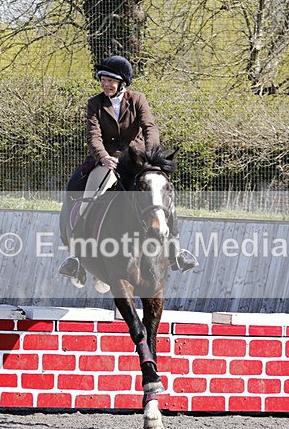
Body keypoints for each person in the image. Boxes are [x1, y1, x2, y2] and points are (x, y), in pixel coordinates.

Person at [59, 55, 198, 280]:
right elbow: (93, 136)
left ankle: (176, 251)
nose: (106, 84)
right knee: (84, 196)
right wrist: (103, 157)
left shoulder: (138, 100)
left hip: (136, 160)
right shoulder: (95, 103)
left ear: (123, 82)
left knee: (162, 198)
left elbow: (149, 127)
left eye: (111, 81)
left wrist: (151, 155)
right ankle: (77, 257)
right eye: (103, 80)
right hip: (107, 161)